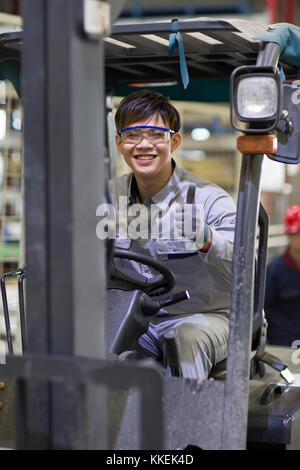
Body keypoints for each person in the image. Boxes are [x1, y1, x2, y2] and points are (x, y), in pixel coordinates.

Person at [108, 89, 236, 380]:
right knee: (88, 339)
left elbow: (244, 268)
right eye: (132, 135)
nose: (143, 145)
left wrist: (207, 240)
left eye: (155, 134)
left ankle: (193, 424)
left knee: (185, 340)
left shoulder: (208, 199)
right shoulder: (106, 197)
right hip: (139, 316)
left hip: (204, 315)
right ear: (119, 143)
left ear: (174, 140)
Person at [265, 204, 300, 346]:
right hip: (283, 348)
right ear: (289, 235)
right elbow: (265, 311)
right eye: (297, 234)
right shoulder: (275, 270)